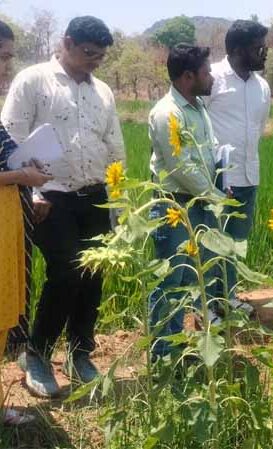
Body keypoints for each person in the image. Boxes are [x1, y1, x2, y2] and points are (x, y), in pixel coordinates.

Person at [1, 16, 125, 398]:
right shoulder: (33, 81)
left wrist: (118, 199)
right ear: (67, 43)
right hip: (50, 197)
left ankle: (79, 353)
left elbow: (114, 144)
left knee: (94, 274)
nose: (94, 62)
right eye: (88, 53)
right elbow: (12, 140)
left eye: (100, 57)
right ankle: (37, 354)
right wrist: (33, 193)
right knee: (66, 272)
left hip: (95, 193)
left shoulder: (103, 91)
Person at [147, 43, 225, 360]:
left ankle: (179, 344)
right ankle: (163, 353)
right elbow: (181, 166)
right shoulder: (168, 113)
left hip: (198, 203)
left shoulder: (198, 107)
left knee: (192, 276)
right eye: (207, 72)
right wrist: (215, 195)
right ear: (188, 76)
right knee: (171, 279)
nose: (212, 78)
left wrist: (221, 180)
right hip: (174, 207)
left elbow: (208, 149)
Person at [0, 18, 52, 426]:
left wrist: (26, 165)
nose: (6, 67)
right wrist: (21, 175)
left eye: (9, 58)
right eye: (1, 58)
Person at [205, 20, 270, 307]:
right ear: (239, 50)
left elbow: (259, 127)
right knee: (211, 245)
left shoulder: (262, 86)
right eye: (259, 48)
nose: (264, 53)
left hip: (248, 175)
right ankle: (208, 305)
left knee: (235, 244)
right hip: (217, 180)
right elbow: (196, 125)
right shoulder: (212, 78)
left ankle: (228, 298)